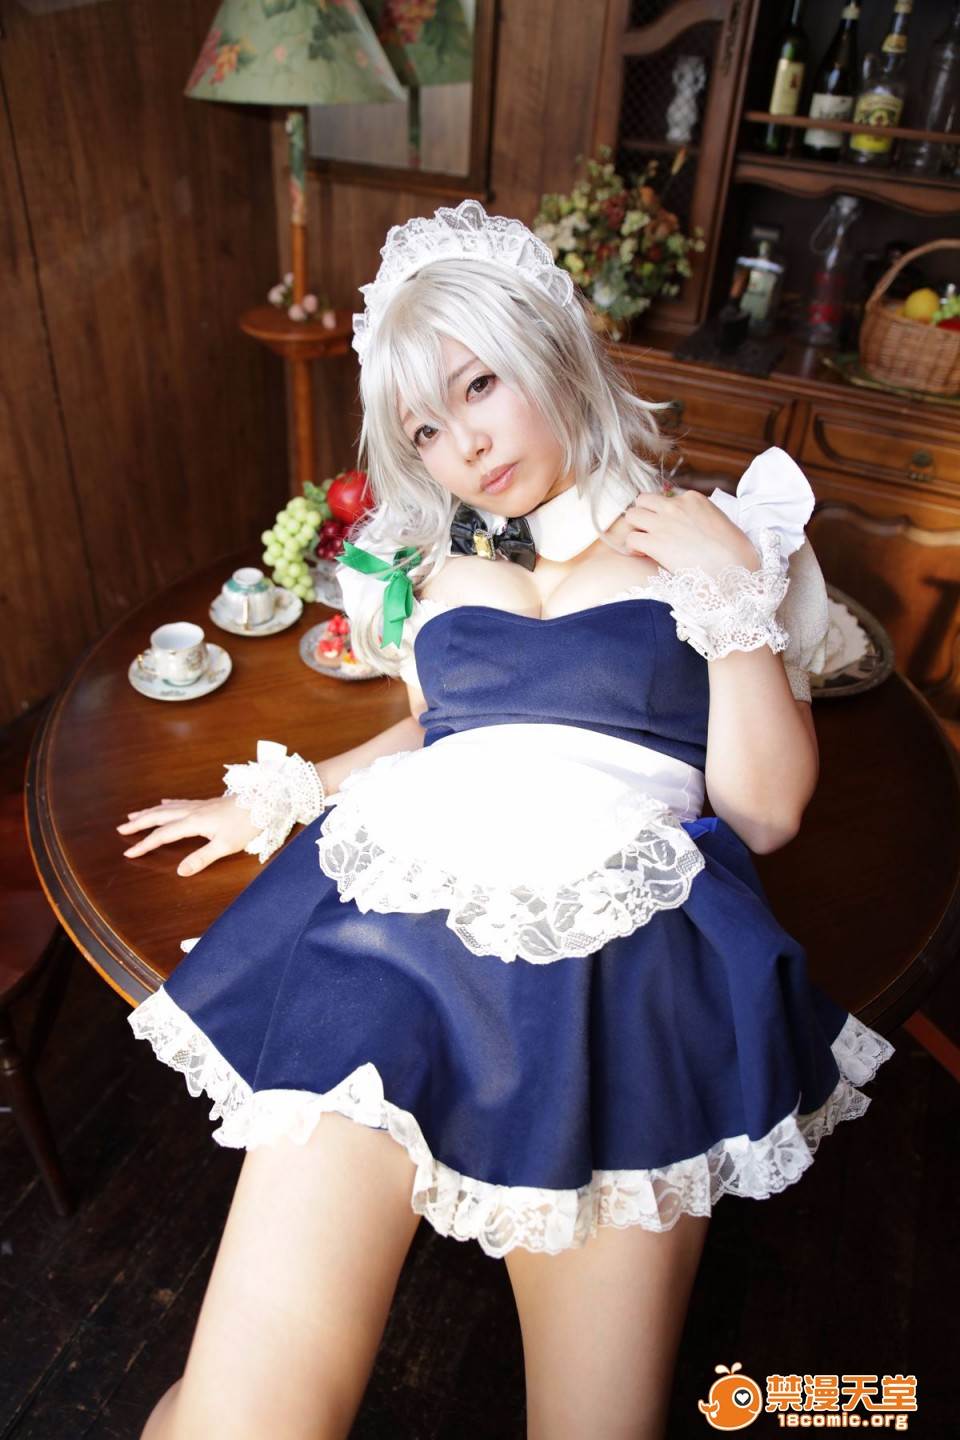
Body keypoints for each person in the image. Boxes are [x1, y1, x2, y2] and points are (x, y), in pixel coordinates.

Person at [119, 200, 894, 1440]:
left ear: (554, 348)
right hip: (385, 944)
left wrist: (734, 599)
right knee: (241, 1420)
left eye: (479, 385)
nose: (463, 447)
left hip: (616, 976)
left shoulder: (731, 534)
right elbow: (436, 737)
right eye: (426, 428)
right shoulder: (448, 577)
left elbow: (766, 812)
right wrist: (283, 791)